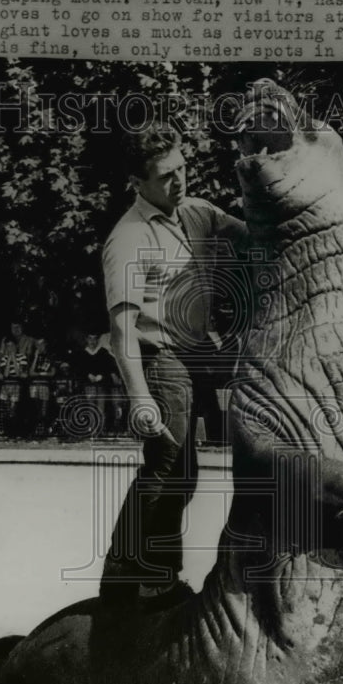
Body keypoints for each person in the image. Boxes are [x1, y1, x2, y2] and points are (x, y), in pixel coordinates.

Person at [99, 121, 248, 605]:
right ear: (137, 183)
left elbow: (251, 233)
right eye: (166, 176)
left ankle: (132, 570)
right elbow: (122, 331)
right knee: (169, 467)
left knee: (180, 473)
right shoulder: (127, 239)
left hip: (198, 353)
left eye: (183, 168)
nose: (179, 181)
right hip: (159, 357)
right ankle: (148, 578)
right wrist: (139, 397)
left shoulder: (197, 213)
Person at [75, 332, 115, 437]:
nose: (92, 341)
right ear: (86, 340)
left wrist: (101, 375)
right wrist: (88, 375)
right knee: (91, 407)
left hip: (101, 385)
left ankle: (100, 430)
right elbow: (80, 368)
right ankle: (92, 430)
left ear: (97, 340)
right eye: (90, 339)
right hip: (89, 385)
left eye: (94, 339)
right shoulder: (82, 353)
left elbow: (108, 368)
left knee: (101, 408)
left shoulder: (103, 352)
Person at [28, 337, 57, 437]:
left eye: (41, 344)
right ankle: (35, 431)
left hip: (45, 386)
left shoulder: (50, 356)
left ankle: (45, 431)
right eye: (37, 344)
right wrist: (36, 357)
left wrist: (40, 374)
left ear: (45, 344)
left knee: (44, 410)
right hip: (34, 386)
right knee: (34, 409)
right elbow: (31, 373)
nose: (39, 347)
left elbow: (52, 372)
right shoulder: (32, 356)